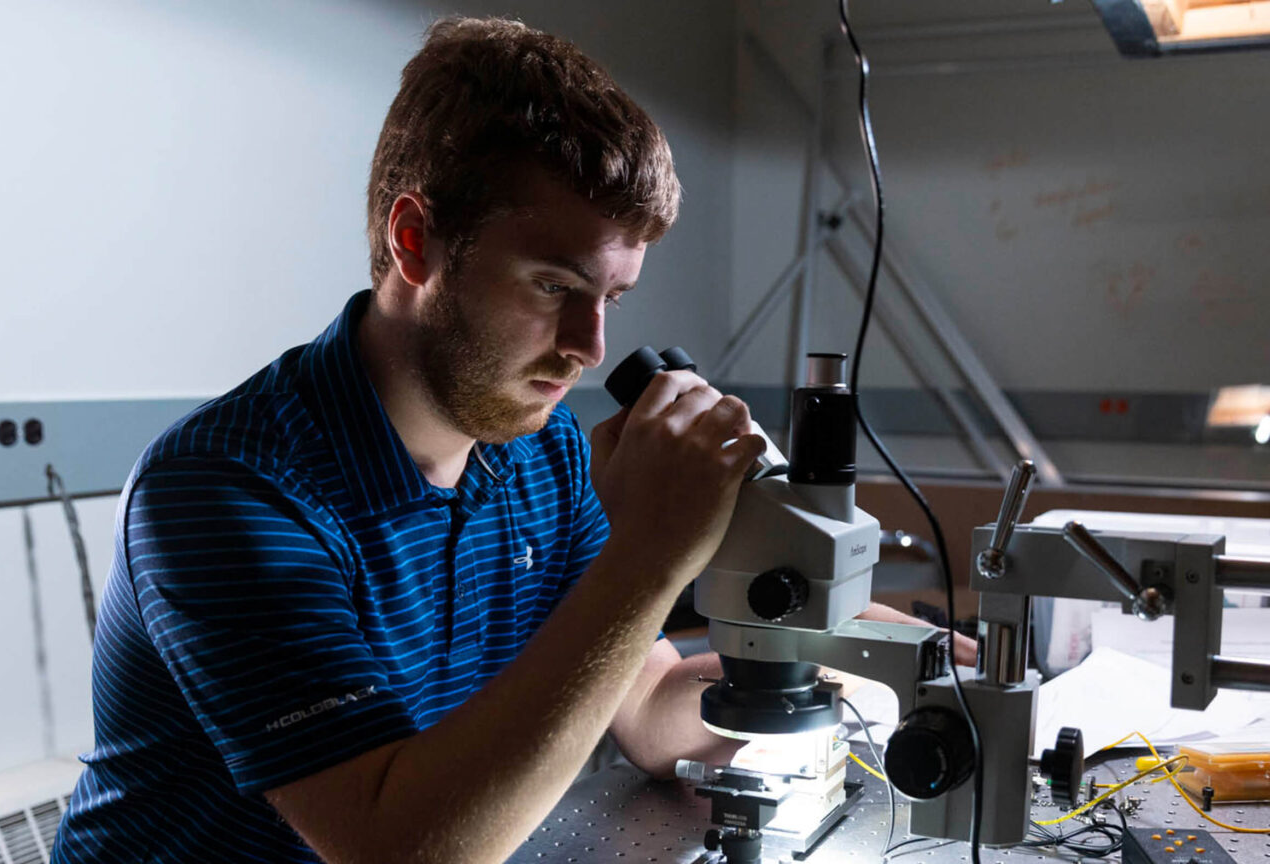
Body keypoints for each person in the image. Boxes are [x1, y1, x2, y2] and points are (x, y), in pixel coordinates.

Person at [51, 17, 973, 864]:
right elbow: (398, 851)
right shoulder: (226, 490)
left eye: (610, 300)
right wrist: (649, 555)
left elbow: (647, 713)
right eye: (551, 287)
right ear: (416, 242)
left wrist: (824, 658)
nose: (588, 347)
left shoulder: (542, 455)